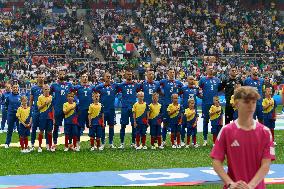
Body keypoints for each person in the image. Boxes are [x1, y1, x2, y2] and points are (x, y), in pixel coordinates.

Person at [211, 86, 275, 189]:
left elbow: (266, 164)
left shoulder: (265, 132)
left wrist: (251, 186)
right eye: (246, 102)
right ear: (236, 103)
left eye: (253, 102)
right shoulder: (226, 131)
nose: (251, 106)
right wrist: (230, 183)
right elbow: (216, 161)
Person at [117, 70, 141, 149]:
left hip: (133, 108)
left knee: (134, 125)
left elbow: (139, 91)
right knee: (123, 125)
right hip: (124, 108)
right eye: (128, 74)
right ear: (125, 76)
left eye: (130, 74)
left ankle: (133, 142)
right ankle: (122, 143)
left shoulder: (136, 85)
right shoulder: (121, 85)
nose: (130, 76)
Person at [160, 68, 183, 146]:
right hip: (166, 105)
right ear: (168, 73)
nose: (172, 74)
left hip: (176, 107)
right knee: (165, 124)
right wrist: (164, 95)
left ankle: (175, 141)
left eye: (173, 72)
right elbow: (157, 88)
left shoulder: (178, 82)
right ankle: (163, 140)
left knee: (176, 124)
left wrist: (177, 96)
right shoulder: (164, 81)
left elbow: (182, 90)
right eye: (171, 72)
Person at [199, 65, 221, 146]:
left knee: (216, 122)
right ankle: (205, 140)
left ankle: (216, 140)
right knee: (205, 121)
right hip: (206, 104)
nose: (211, 70)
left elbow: (220, 89)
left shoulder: (217, 80)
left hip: (215, 105)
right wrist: (202, 97)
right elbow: (199, 90)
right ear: (206, 70)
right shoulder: (203, 79)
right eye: (209, 69)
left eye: (212, 69)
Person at [50, 70, 73, 148]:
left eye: (63, 74)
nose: (62, 75)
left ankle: (69, 143)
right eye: (60, 74)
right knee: (56, 126)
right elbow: (49, 95)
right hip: (57, 109)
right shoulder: (54, 85)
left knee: (69, 126)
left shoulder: (69, 85)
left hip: (68, 109)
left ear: (65, 75)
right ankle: (55, 143)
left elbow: (74, 94)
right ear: (58, 75)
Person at [95, 72, 118, 149]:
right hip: (103, 110)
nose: (108, 77)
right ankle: (103, 143)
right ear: (104, 77)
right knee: (102, 126)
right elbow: (94, 91)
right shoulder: (100, 87)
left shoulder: (114, 86)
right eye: (107, 76)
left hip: (111, 110)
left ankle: (111, 143)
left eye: (109, 76)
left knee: (111, 126)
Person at [74, 73, 94, 149]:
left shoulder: (91, 87)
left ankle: (92, 144)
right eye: (83, 77)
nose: (85, 78)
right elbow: (71, 93)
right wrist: (76, 101)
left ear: (88, 78)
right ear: (81, 78)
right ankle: (77, 144)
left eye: (86, 77)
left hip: (90, 110)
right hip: (81, 110)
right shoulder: (77, 87)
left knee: (91, 126)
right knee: (79, 126)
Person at [37, 84, 55, 153]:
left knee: (50, 132)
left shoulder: (51, 97)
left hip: (50, 117)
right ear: (43, 90)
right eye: (45, 89)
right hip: (42, 117)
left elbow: (53, 108)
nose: (47, 91)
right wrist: (45, 103)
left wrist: (53, 118)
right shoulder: (40, 97)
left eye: (48, 89)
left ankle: (50, 146)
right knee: (41, 131)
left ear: (49, 90)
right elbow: (38, 108)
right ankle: (39, 146)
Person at [30, 72, 45, 150]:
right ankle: (32, 145)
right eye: (40, 77)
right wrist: (30, 110)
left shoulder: (46, 87)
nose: (41, 78)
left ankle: (40, 145)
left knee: (42, 129)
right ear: (37, 78)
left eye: (42, 77)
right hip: (36, 111)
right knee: (34, 128)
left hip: (44, 112)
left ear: (44, 78)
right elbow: (31, 100)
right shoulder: (34, 88)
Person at [4, 84, 21, 148]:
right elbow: (6, 105)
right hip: (11, 115)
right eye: (14, 87)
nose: (15, 89)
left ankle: (21, 142)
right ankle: (7, 143)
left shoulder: (20, 96)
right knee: (10, 129)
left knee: (20, 129)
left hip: (18, 115)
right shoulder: (8, 96)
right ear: (12, 88)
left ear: (18, 88)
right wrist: (8, 111)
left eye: (16, 87)